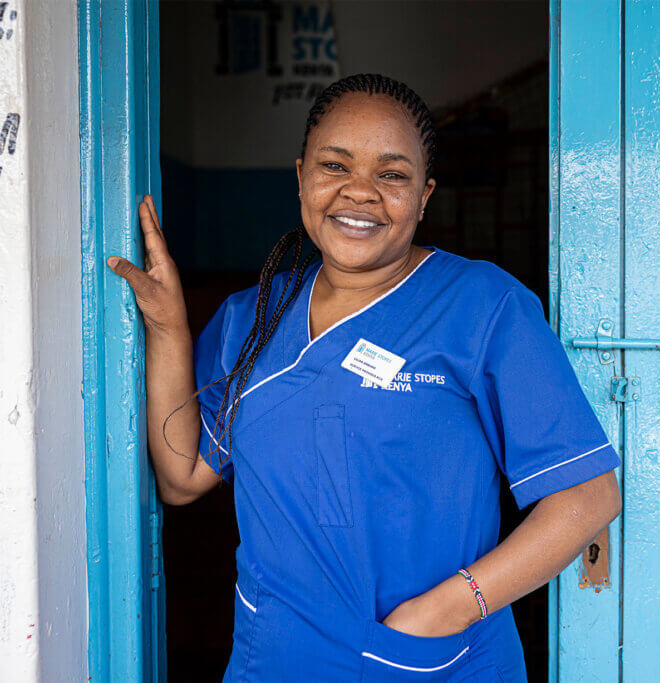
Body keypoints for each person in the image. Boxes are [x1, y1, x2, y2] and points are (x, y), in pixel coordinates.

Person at [107, 73, 622, 682]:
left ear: (425, 196)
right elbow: (183, 476)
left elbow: (588, 497)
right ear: (301, 176)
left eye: (392, 174)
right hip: (276, 660)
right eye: (335, 165)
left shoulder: (482, 307)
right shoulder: (253, 317)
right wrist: (168, 328)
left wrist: (443, 613)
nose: (360, 193)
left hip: (432, 662)